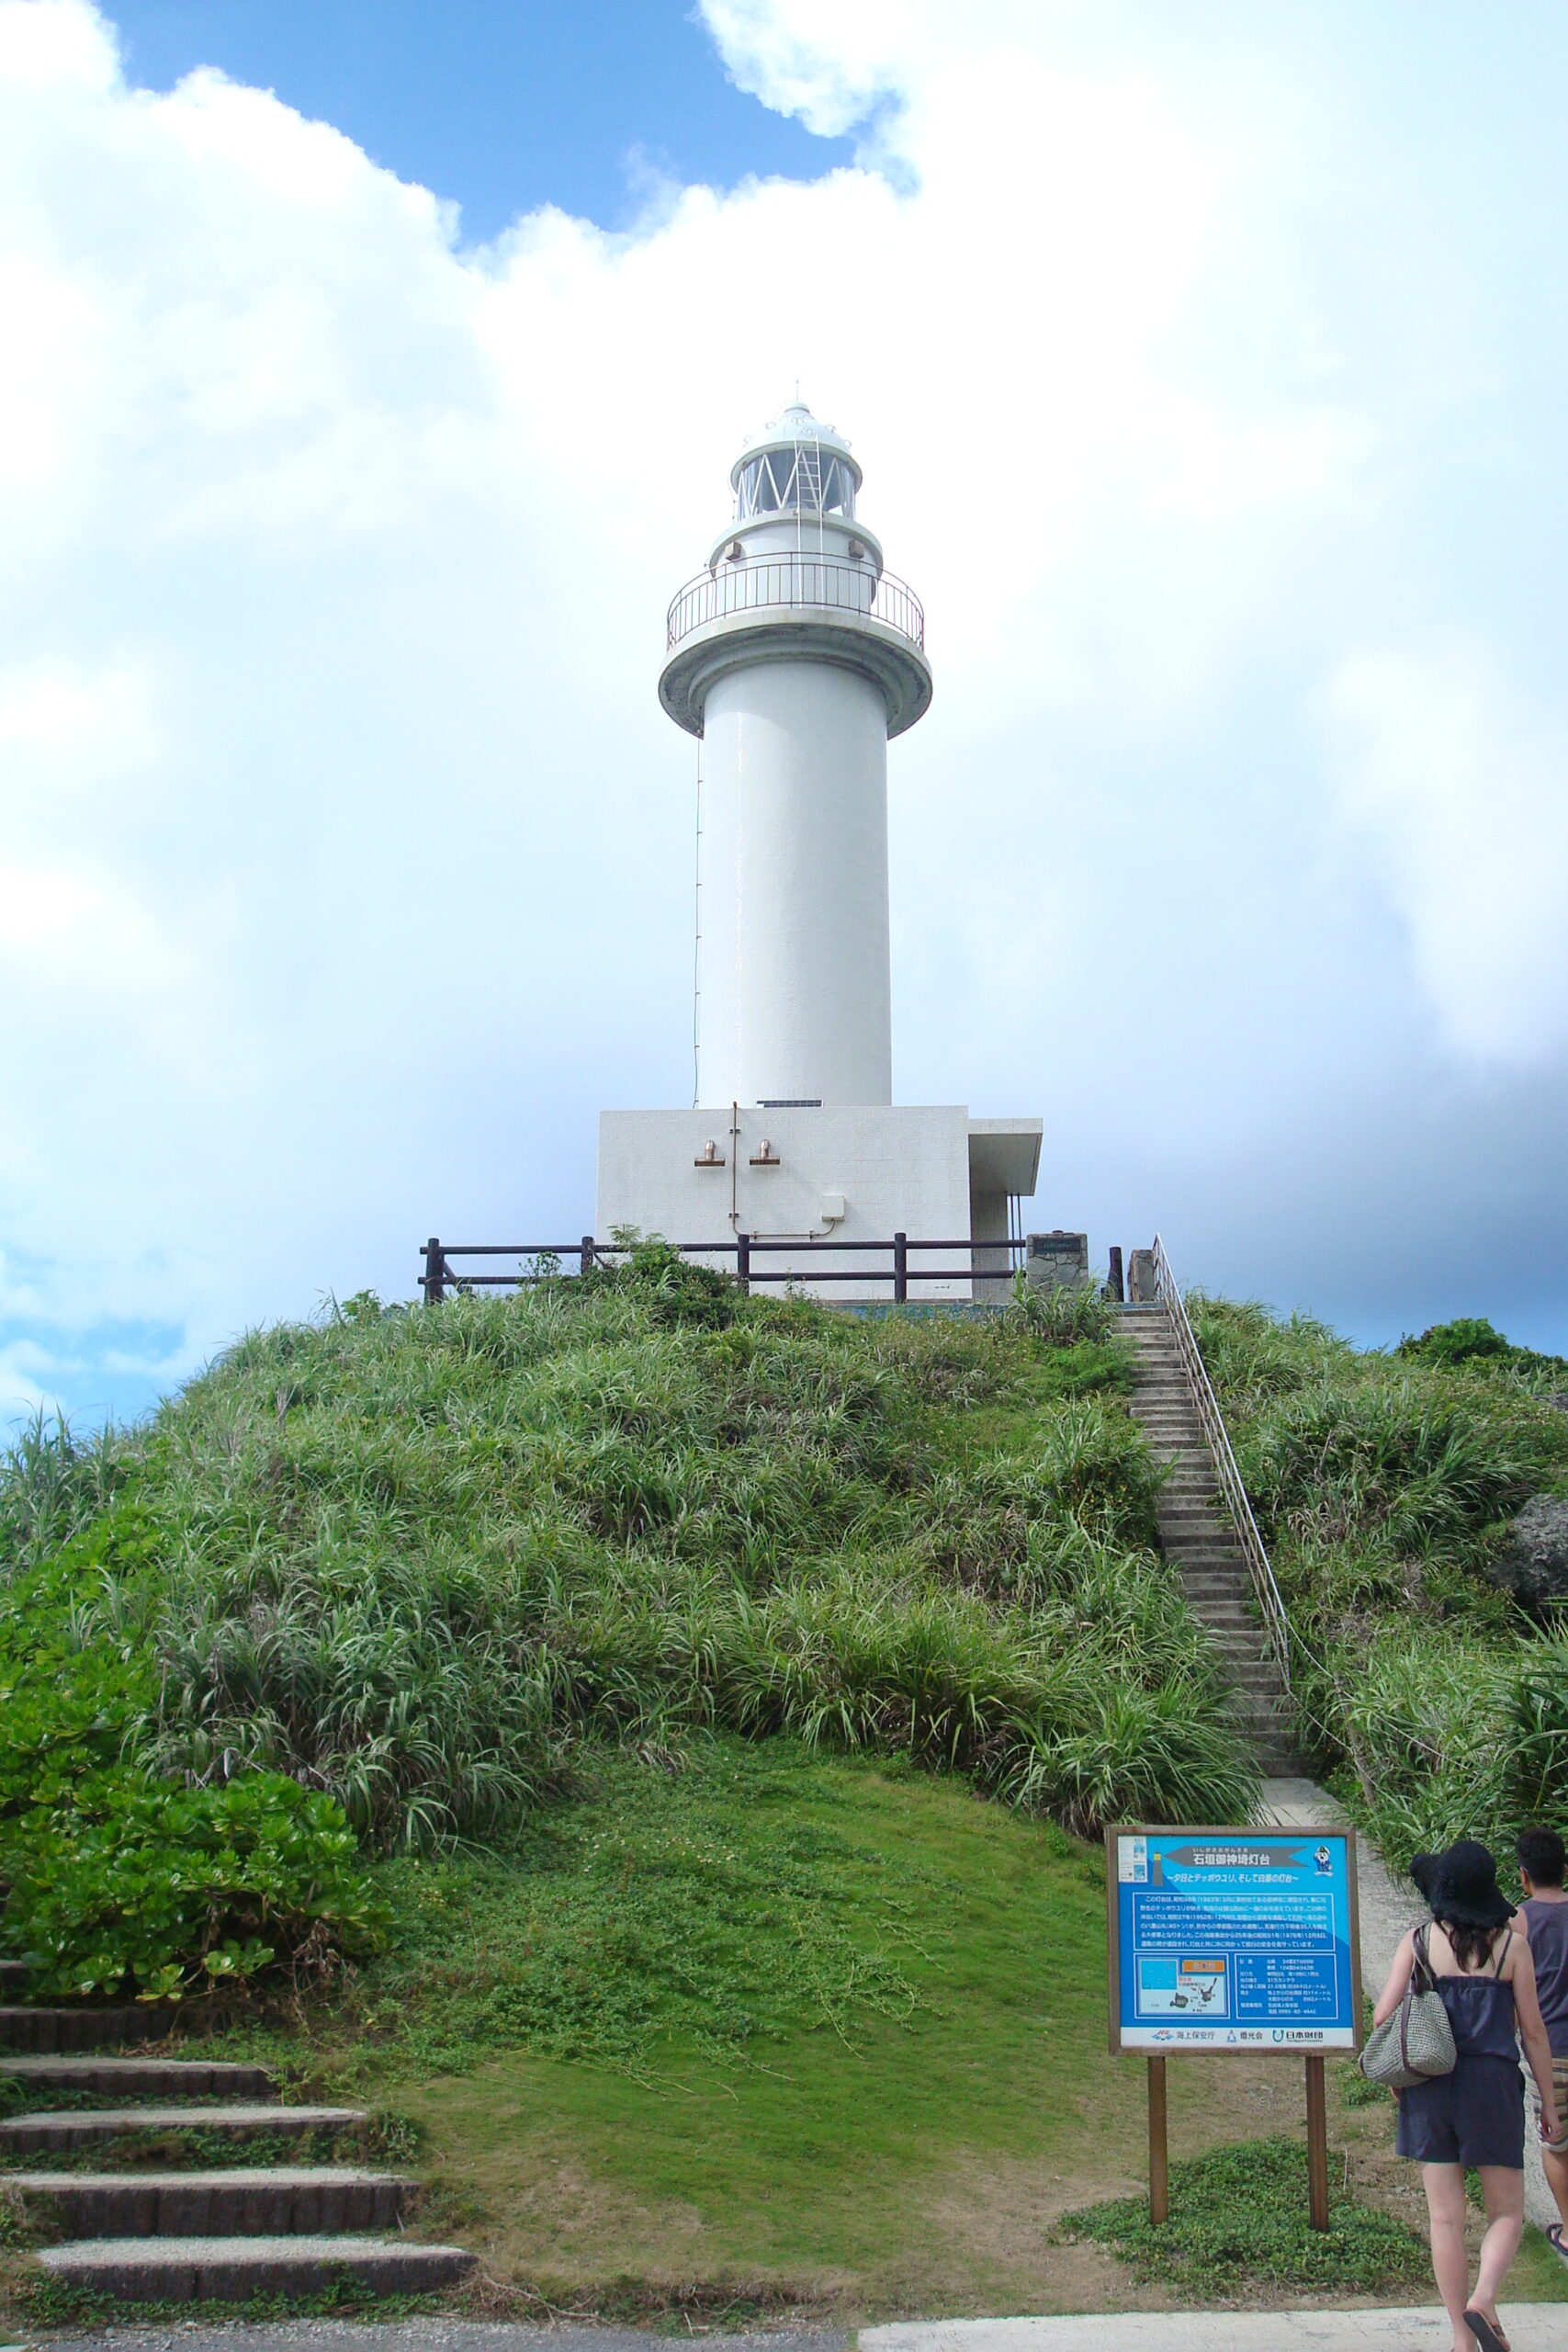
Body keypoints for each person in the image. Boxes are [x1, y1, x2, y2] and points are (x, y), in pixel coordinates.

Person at [1373, 1838, 1560, 2352]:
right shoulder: (1512, 1948)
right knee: (1507, 2212)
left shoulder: (1415, 1942)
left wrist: (1398, 2079)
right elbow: (1534, 2033)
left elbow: (1382, 2018)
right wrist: (1547, 2102)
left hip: (1431, 2087)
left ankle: (1461, 2337)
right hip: (1492, 2085)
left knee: (1445, 2218)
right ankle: (1483, 2299)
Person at [1516, 1825, 1568, 2260]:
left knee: (1556, 2139)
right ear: (1565, 1870)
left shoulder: (1519, 1920)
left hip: (1550, 2048)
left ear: (1523, 1876)